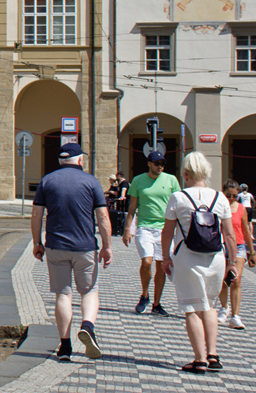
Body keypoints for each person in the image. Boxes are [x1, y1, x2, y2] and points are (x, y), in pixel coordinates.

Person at [31, 142, 112, 361]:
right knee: (89, 291)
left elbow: (36, 215)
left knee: (63, 294)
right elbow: (103, 217)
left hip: (56, 246)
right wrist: (107, 246)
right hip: (85, 247)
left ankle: (65, 346)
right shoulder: (91, 181)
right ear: (79, 160)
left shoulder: (46, 181)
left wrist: (37, 243)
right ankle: (87, 326)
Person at [160, 152, 236, 374]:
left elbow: (167, 233)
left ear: (185, 173)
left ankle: (199, 359)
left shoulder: (178, 197)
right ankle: (213, 355)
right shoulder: (220, 198)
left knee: (192, 308)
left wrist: (165, 257)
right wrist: (231, 262)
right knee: (210, 306)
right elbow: (229, 234)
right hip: (216, 258)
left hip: (187, 257)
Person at [123, 150, 181, 315]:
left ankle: (156, 303)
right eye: (157, 163)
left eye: (162, 164)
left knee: (161, 265)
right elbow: (132, 207)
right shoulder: (138, 180)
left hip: (165, 228)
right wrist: (128, 228)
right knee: (147, 262)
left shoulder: (171, 180)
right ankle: (145, 294)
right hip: (144, 227)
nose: (160, 167)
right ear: (149, 163)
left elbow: (178, 204)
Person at [217, 179, 255, 330]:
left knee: (235, 279)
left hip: (239, 246)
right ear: (223, 194)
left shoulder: (241, 209)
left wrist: (251, 252)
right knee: (222, 280)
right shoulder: (219, 207)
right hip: (222, 245)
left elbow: (246, 230)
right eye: (228, 195)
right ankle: (224, 307)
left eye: (234, 196)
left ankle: (235, 316)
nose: (231, 199)